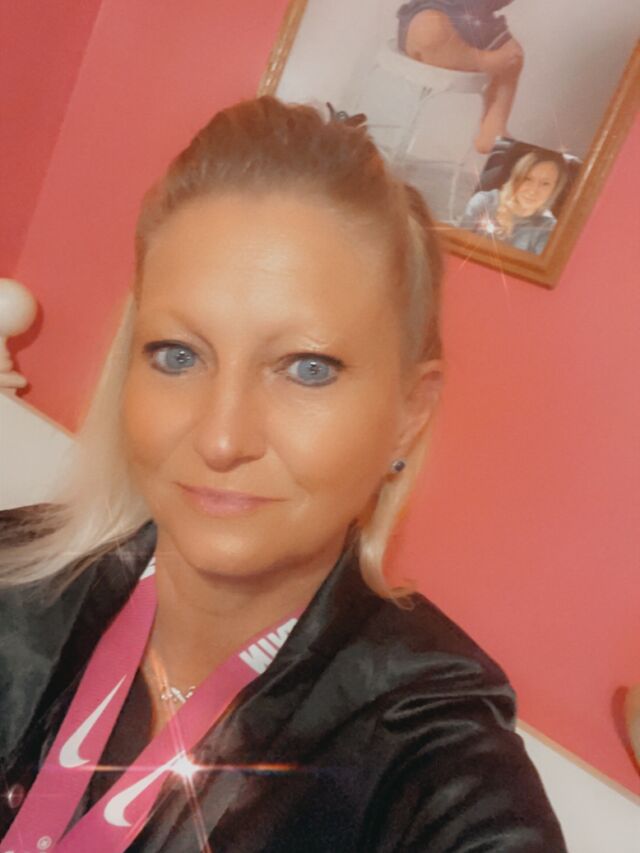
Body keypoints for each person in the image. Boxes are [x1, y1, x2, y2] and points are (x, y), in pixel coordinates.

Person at [0, 97, 567, 851]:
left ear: (408, 411)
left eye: (307, 368)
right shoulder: (13, 578)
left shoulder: (425, 750)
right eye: (178, 354)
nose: (222, 437)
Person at [397, 1, 524, 153]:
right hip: (436, 12)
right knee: (429, 29)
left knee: (514, 56)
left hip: (477, 25)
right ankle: (479, 60)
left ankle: (493, 127)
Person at [460, 150, 567, 254]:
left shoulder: (549, 228)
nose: (533, 190)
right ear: (516, 178)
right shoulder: (484, 202)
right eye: (528, 179)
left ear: (554, 189)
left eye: (545, 183)